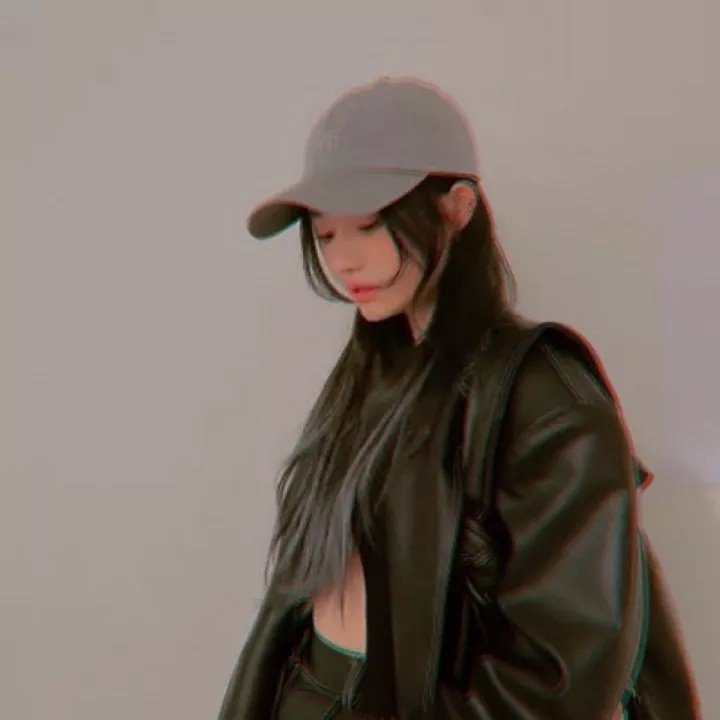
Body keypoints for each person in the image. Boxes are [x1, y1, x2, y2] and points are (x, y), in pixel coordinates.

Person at [218, 77, 700, 719]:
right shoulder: (370, 374)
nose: (344, 261)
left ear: (457, 209)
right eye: (325, 234)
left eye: (368, 225)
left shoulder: (543, 395)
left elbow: (558, 681)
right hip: (308, 695)